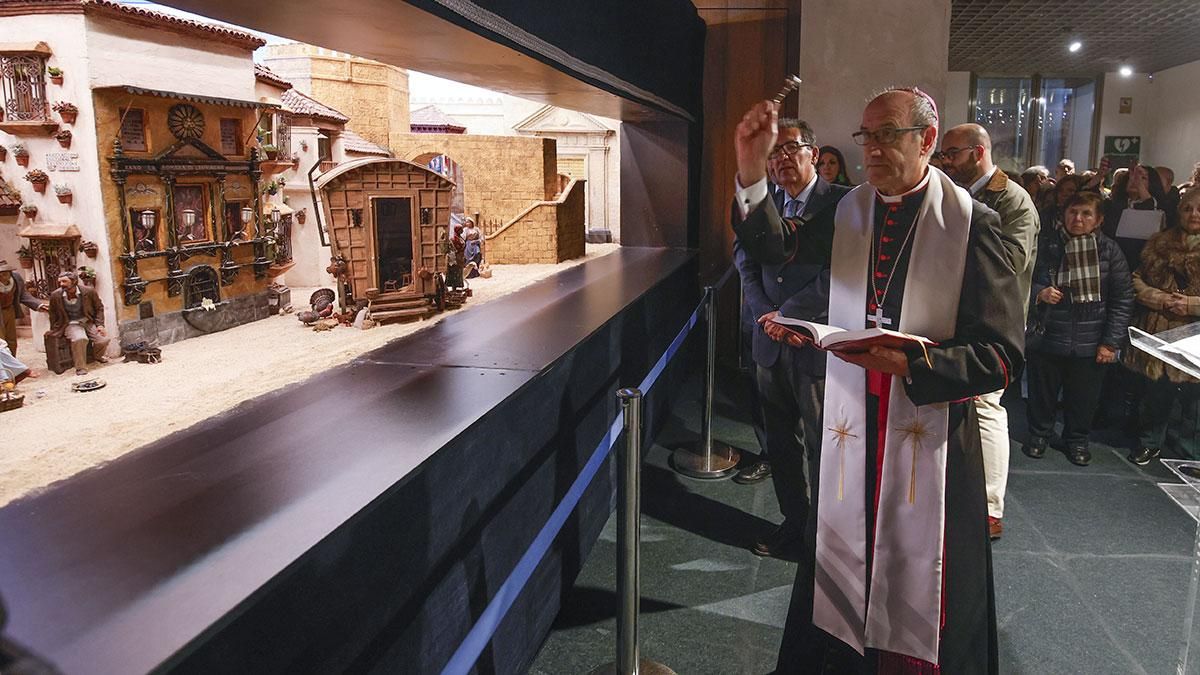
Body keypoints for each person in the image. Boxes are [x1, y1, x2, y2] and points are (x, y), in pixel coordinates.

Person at [735, 87, 1024, 673]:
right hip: (852, 421)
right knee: (841, 553)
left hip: (931, 429)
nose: (871, 148)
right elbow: (775, 246)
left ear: (928, 140)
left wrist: (915, 365)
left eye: (888, 133)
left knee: (927, 569)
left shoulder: (974, 225)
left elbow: (1001, 356)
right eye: (867, 135)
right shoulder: (849, 209)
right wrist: (748, 169)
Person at [733, 118, 851, 557]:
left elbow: (842, 273)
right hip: (770, 341)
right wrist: (766, 314)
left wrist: (790, 316)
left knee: (825, 446)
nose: (781, 159)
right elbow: (744, 260)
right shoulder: (763, 203)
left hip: (816, 344)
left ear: (814, 154)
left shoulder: (843, 204)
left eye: (791, 149)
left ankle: (826, 535)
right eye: (773, 152)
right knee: (780, 444)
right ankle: (793, 522)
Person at [939, 123, 1040, 540]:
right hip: (955, 315)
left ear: (978, 152)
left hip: (991, 321)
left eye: (952, 154)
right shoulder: (955, 193)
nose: (945, 162)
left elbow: (1012, 264)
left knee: (985, 406)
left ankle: (989, 506)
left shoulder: (1013, 199)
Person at [1023, 191, 1134, 465]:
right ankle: (1039, 435)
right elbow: (1022, 280)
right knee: (1042, 394)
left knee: (1083, 399)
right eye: (1073, 212)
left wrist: (1110, 343)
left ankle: (1076, 440)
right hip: (1049, 334)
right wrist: (1040, 292)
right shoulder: (1048, 245)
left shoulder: (1109, 251)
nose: (1078, 219)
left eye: (1086, 214)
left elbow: (1122, 299)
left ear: (1099, 220)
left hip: (1090, 338)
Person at [1125, 188, 1200, 464]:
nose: (1194, 214)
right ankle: (1149, 442)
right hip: (1159, 329)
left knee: (1195, 400)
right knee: (1155, 392)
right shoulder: (1159, 242)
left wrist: (1191, 305)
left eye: (1199, 209)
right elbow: (1136, 279)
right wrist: (1160, 299)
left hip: (1195, 334)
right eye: (1188, 208)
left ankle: (1191, 452)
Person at [47, 272, 111, 376]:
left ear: (74, 281)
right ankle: (80, 367)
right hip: (70, 323)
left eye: (64, 281)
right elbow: (52, 314)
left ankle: (97, 356)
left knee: (103, 340)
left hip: (87, 321)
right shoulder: (56, 295)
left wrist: (100, 325)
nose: (62, 284)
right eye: (60, 282)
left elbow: (99, 308)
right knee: (80, 338)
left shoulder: (88, 291)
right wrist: (54, 329)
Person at [0, 260, 47, 357]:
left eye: (4, 274)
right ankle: (3, 368)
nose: (1, 277)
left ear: (10, 272)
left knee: (11, 340)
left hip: (9, 310)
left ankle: (14, 365)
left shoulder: (16, 278)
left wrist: (38, 305)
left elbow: (23, 294)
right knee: (1, 342)